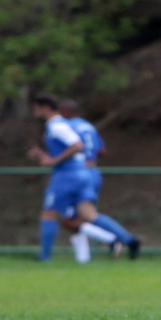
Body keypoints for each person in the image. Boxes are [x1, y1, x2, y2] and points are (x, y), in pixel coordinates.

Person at [28, 95, 141, 261]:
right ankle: (127, 240)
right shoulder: (86, 126)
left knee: (51, 215)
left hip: (67, 174)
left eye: (36, 107)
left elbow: (76, 145)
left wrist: (52, 160)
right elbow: (100, 150)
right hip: (87, 172)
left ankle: (44, 258)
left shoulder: (58, 125)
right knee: (88, 215)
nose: (34, 111)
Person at [58, 99, 125, 261]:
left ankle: (113, 239)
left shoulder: (66, 127)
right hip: (92, 172)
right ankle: (83, 259)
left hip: (75, 174)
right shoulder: (88, 126)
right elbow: (101, 150)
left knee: (71, 218)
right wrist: (91, 159)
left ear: (65, 113)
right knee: (74, 219)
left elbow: (72, 148)